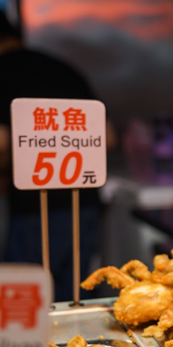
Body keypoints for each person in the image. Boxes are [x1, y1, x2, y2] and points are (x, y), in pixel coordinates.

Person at [0, 13, 102, 302]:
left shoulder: (4, 70)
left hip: (33, 209)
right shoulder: (60, 67)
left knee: (28, 303)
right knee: (72, 297)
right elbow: (107, 135)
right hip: (83, 203)